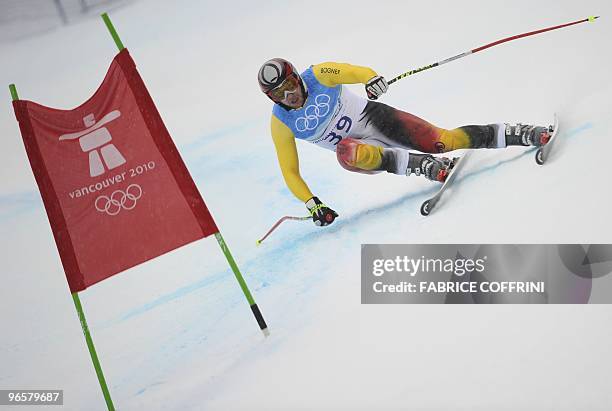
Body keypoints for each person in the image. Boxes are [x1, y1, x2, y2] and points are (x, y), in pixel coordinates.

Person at [258, 58, 552, 227]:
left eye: (290, 87)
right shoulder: (281, 123)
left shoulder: (318, 74)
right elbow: (290, 172)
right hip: (363, 153)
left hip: (376, 118)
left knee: (442, 141)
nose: (289, 97)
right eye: (278, 95)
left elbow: (354, 72)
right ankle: (423, 166)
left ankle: (519, 132)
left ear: (297, 77)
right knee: (346, 151)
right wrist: (313, 205)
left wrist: (372, 79)